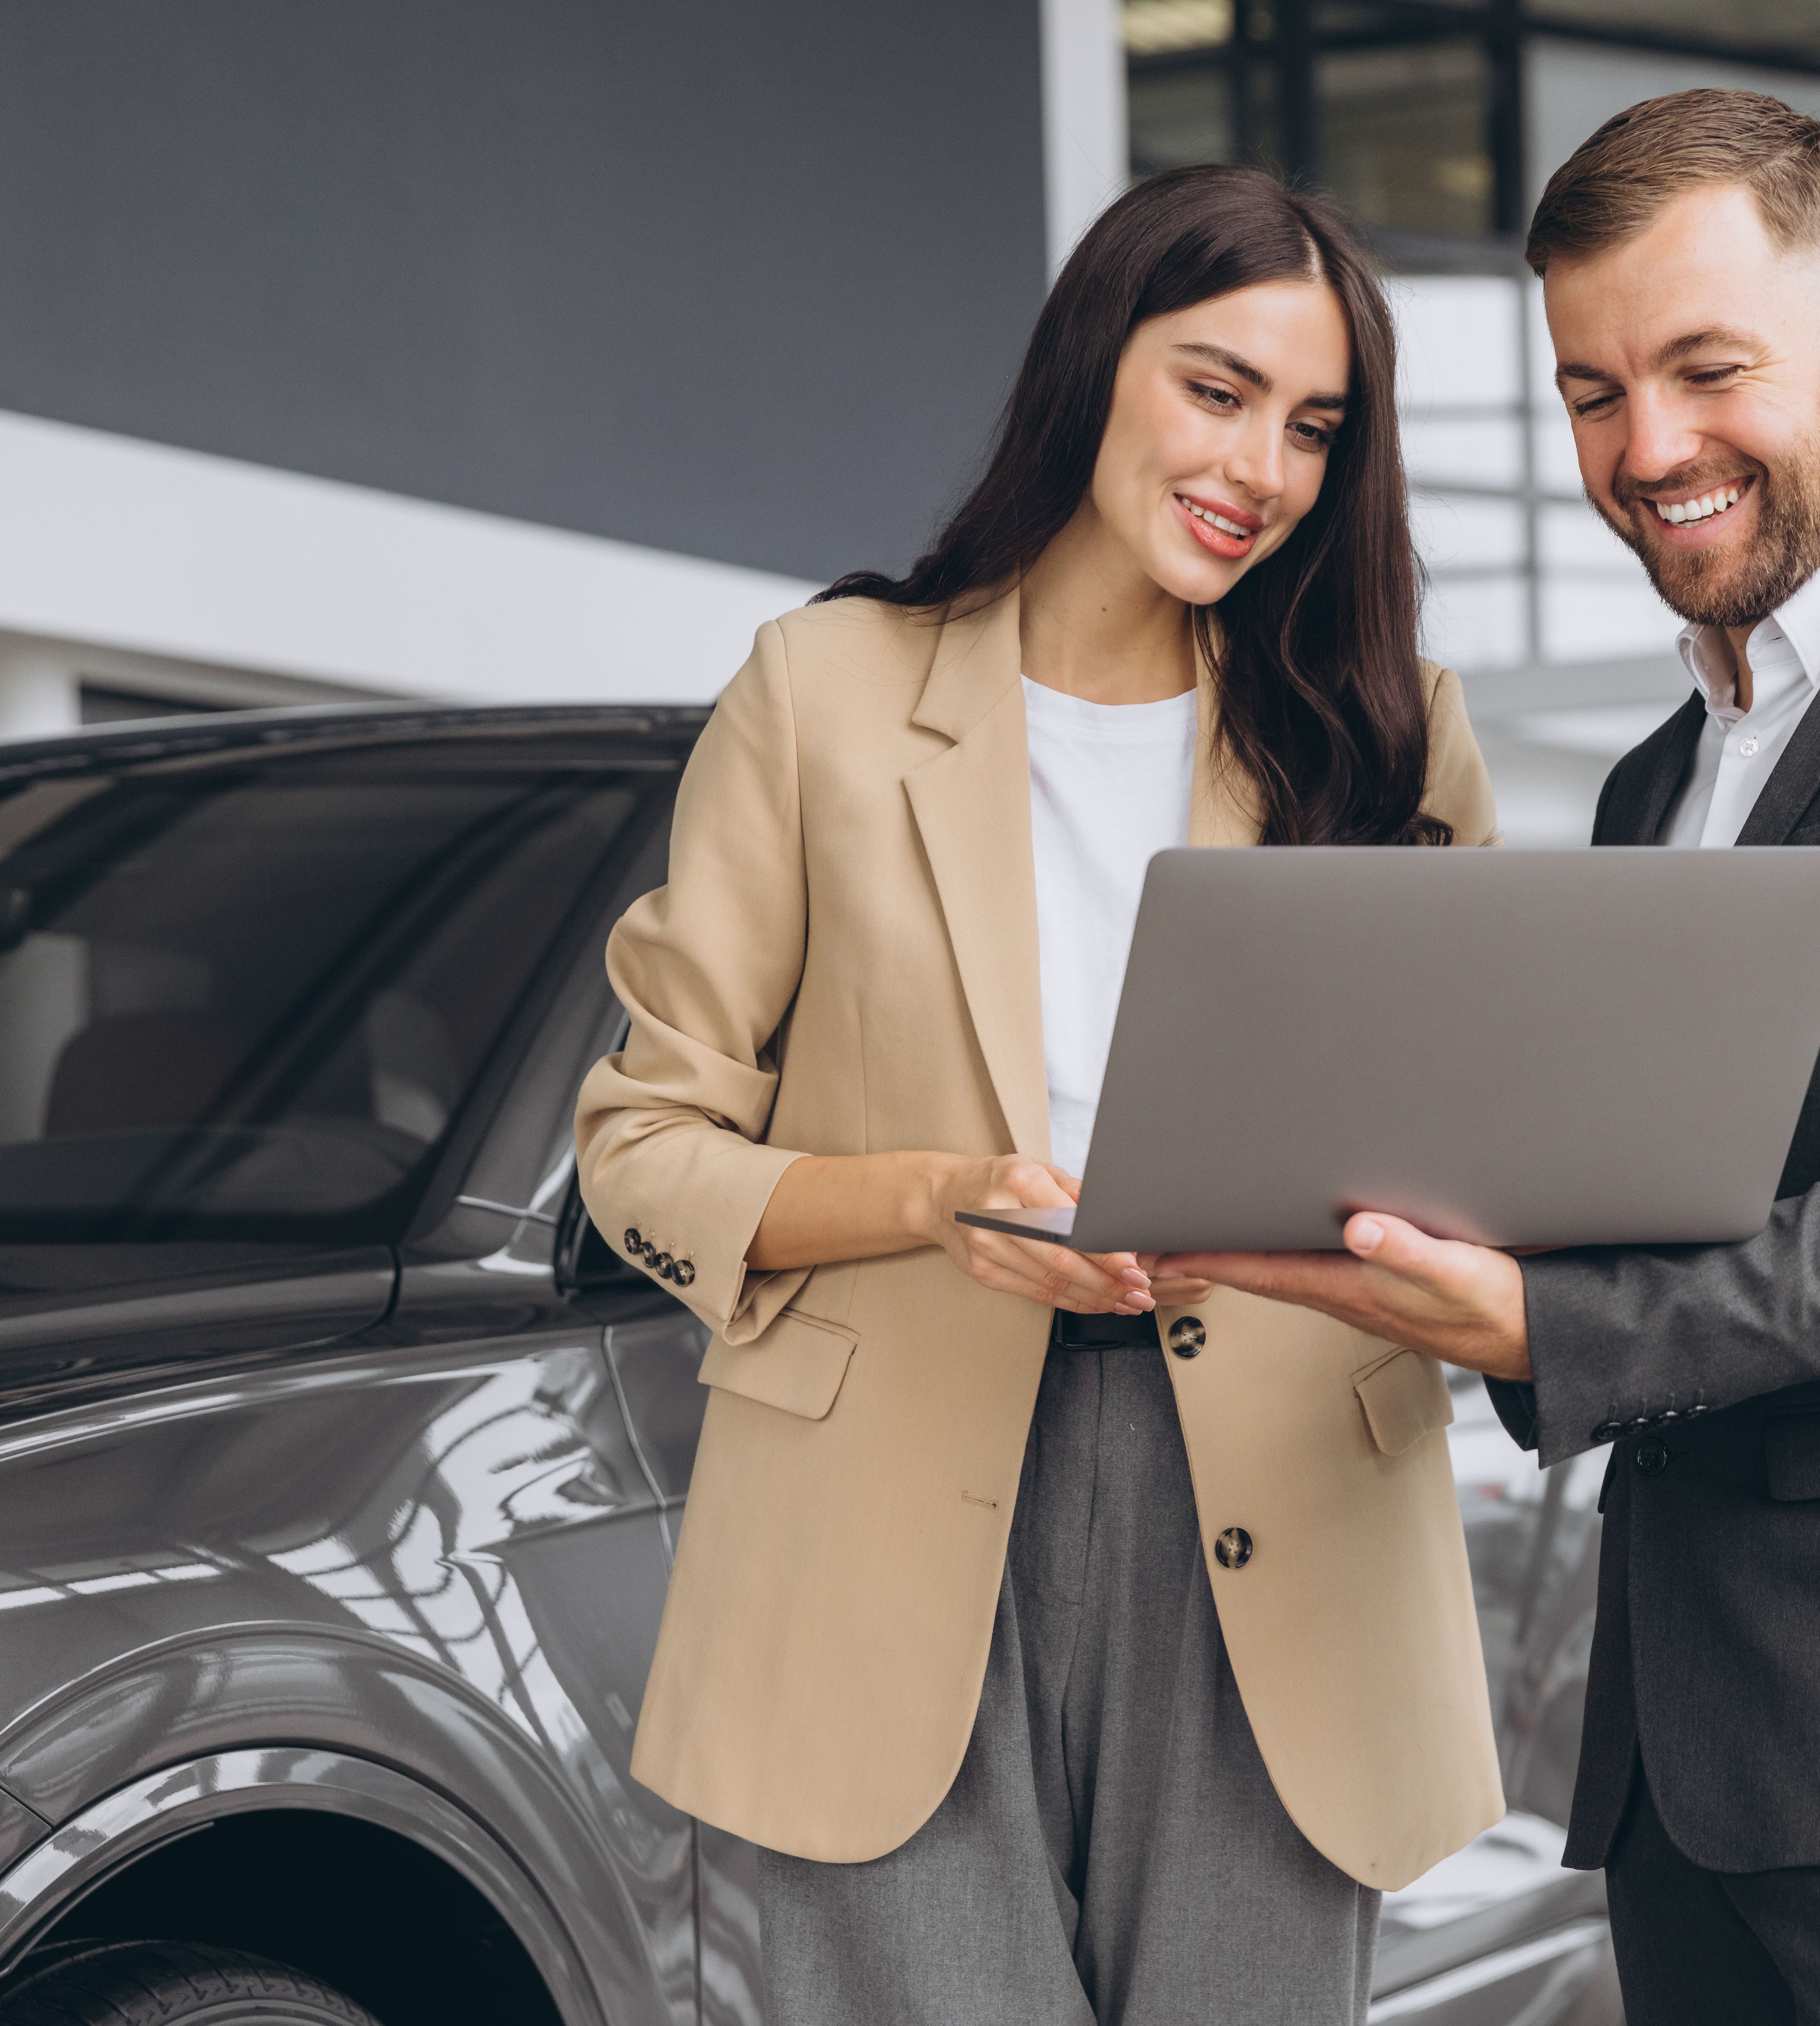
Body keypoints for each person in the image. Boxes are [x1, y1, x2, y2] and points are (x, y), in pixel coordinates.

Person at [1160, 90, 1820, 2025]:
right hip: (1687, 1739)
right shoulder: (1663, 776)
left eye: (1701, 369)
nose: (1643, 448)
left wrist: (1544, 1327)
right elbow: (1648, 1182)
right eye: (1588, 392)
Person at [572, 164, 1505, 2026]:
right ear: (1097, 360)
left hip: (1277, 1519)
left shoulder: (1376, 723)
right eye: (1214, 389)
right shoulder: (824, 691)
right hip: (883, 1522)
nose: (1261, 466)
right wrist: (931, 1200)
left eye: (1313, 427)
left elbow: (1473, 1144)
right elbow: (639, 1146)